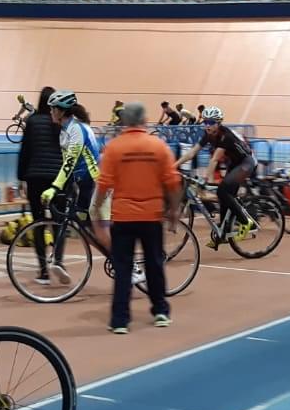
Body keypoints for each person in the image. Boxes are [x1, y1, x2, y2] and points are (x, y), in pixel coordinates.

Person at [94, 102, 179, 334]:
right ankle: (160, 311)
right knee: (154, 264)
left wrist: (96, 210)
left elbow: (104, 183)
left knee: (123, 268)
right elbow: (172, 181)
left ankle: (120, 320)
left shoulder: (114, 148)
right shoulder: (158, 146)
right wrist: (174, 210)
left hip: (123, 217)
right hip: (151, 216)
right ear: (144, 120)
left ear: (124, 121)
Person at [39, 91, 101, 285]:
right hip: (82, 183)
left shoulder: (76, 129)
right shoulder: (65, 129)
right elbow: (68, 164)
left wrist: (53, 187)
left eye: (52, 109)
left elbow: (70, 162)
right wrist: (64, 187)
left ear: (60, 111)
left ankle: (125, 262)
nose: (50, 112)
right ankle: (58, 260)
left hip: (94, 182)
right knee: (82, 226)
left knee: (97, 228)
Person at [179, 106, 256, 247]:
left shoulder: (225, 135)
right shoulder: (207, 135)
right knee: (223, 195)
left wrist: (206, 179)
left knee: (223, 191)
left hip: (247, 162)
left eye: (210, 122)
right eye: (205, 122)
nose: (207, 125)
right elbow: (191, 153)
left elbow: (215, 159)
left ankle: (246, 222)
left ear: (218, 123)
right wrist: (173, 165)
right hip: (234, 163)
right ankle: (224, 231)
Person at [16, 86, 63, 284]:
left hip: (35, 177)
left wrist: (21, 178)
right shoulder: (60, 123)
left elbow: (24, 151)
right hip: (57, 178)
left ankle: (43, 270)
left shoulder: (32, 121)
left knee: (38, 222)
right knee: (59, 222)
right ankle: (59, 263)